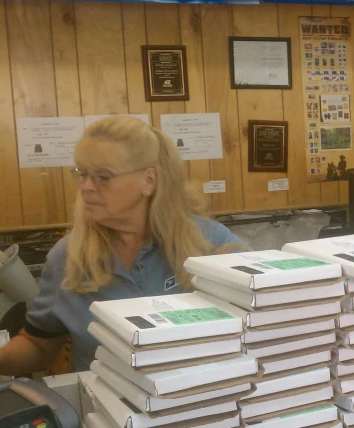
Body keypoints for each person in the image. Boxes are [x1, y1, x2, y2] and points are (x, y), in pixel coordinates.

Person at [0, 116, 246, 375]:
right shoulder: (68, 257)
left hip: (197, 400)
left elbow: (262, 325)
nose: (86, 188)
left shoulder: (210, 242)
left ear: (148, 181)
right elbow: (39, 345)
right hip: (105, 407)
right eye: (82, 174)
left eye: (103, 177)